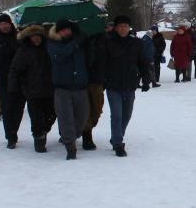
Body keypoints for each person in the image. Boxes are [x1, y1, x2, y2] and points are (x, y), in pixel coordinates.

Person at [95, 15, 151, 157]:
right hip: (113, 85)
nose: (123, 28)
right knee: (117, 115)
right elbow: (101, 63)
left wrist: (146, 79)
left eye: (125, 26)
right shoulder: (108, 42)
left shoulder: (136, 43)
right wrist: (102, 81)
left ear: (129, 27)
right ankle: (118, 143)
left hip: (130, 84)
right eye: (120, 26)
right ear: (115, 27)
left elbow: (142, 63)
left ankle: (116, 137)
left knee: (126, 115)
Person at [47, 18, 91, 160]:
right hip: (62, 88)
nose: (66, 32)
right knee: (66, 118)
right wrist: (75, 43)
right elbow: (60, 55)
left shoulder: (80, 42)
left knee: (82, 117)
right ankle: (70, 146)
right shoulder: (53, 43)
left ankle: (71, 136)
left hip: (80, 86)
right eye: (62, 30)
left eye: (68, 29)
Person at [7, 24, 55, 152]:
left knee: (51, 115)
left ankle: (43, 131)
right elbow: (15, 70)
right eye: (33, 37)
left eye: (38, 36)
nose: (36, 39)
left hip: (49, 89)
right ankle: (39, 140)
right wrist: (14, 87)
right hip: (32, 90)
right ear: (29, 38)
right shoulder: (24, 51)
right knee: (36, 118)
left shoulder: (48, 48)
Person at [0, 13, 25, 146]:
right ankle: (11, 135)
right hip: (4, 78)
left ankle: (13, 130)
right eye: (2, 24)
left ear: (10, 24)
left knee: (19, 107)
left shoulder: (18, 37)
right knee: (8, 107)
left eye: (6, 23)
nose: (4, 26)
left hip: (20, 78)